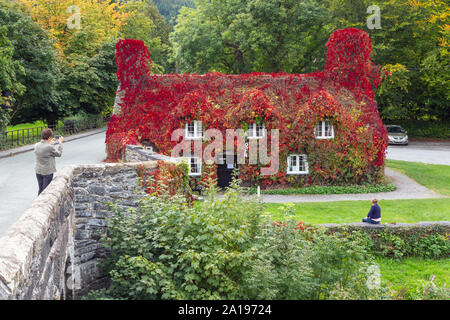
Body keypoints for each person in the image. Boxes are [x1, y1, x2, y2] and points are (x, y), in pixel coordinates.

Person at [34, 128, 64, 195]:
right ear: (49, 137)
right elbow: (59, 154)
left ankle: (38, 203)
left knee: (40, 189)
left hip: (38, 171)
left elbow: (46, 151)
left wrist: (50, 144)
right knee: (46, 190)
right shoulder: (49, 147)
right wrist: (60, 143)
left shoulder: (36, 145)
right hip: (47, 172)